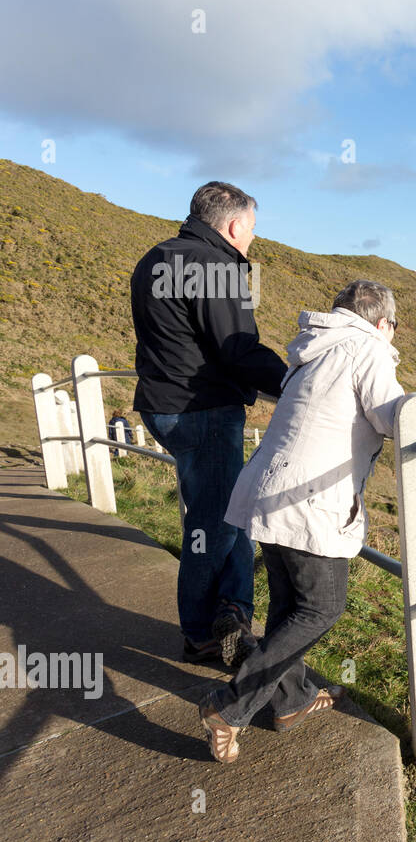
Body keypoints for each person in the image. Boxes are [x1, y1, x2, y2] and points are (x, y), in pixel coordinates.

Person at [200, 280, 404, 763]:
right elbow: (393, 417)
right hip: (309, 503)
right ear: (382, 323)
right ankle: (232, 706)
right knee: (321, 609)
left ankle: (289, 702)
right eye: (394, 327)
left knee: (290, 607)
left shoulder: (312, 351)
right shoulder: (366, 349)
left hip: (271, 496)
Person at [130, 182, 287, 667]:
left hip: (163, 406)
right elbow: (237, 349)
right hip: (202, 412)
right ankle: (201, 633)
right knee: (212, 526)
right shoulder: (215, 267)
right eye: (253, 229)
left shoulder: (156, 257)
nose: (253, 239)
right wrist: (297, 383)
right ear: (235, 225)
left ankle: (233, 612)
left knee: (228, 514)